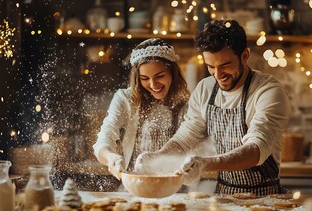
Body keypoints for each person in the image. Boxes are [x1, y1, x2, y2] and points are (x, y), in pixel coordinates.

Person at [135, 20, 291, 195]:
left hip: (265, 196)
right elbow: (186, 136)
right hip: (223, 193)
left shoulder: (268, 92)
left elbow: (256, 149)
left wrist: (205, 163)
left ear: (245, 56)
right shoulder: (205, 89)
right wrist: (159, 155)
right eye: (211, 67)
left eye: (225, 65)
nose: (218, 75)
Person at [93, 38, 190, 180]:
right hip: (134, 184)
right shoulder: (126, 99)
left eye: (160, 76)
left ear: (173, 73)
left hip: (175, 185)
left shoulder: (186, 103)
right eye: (145, 78)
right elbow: (105, 136)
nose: (153, 84)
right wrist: (110, 157)